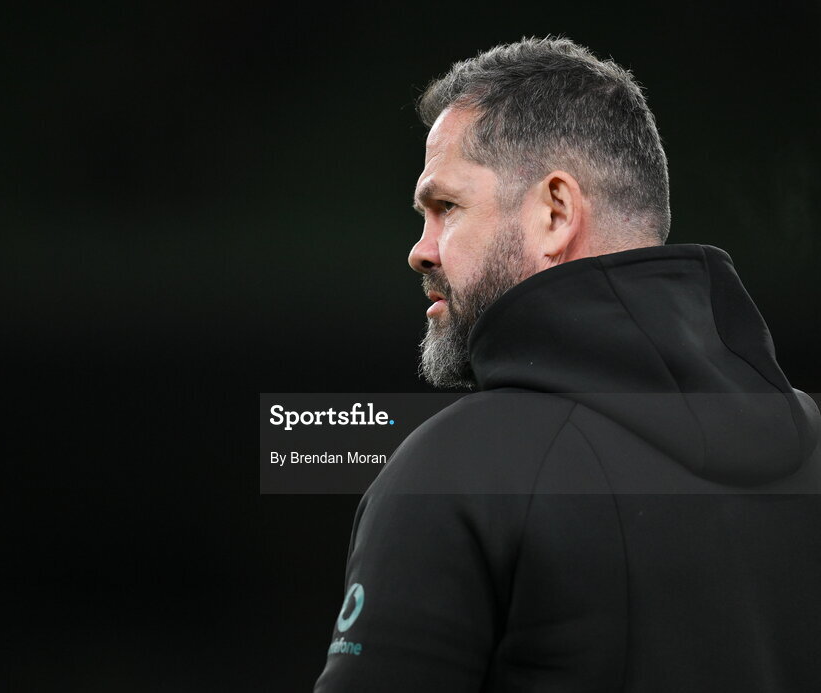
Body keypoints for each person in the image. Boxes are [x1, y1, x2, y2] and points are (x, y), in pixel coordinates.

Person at [314, 37, 821, 692]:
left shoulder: (457, 468)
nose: (421, 249)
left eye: (445, 208)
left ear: (555, 212)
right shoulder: (808, 445)